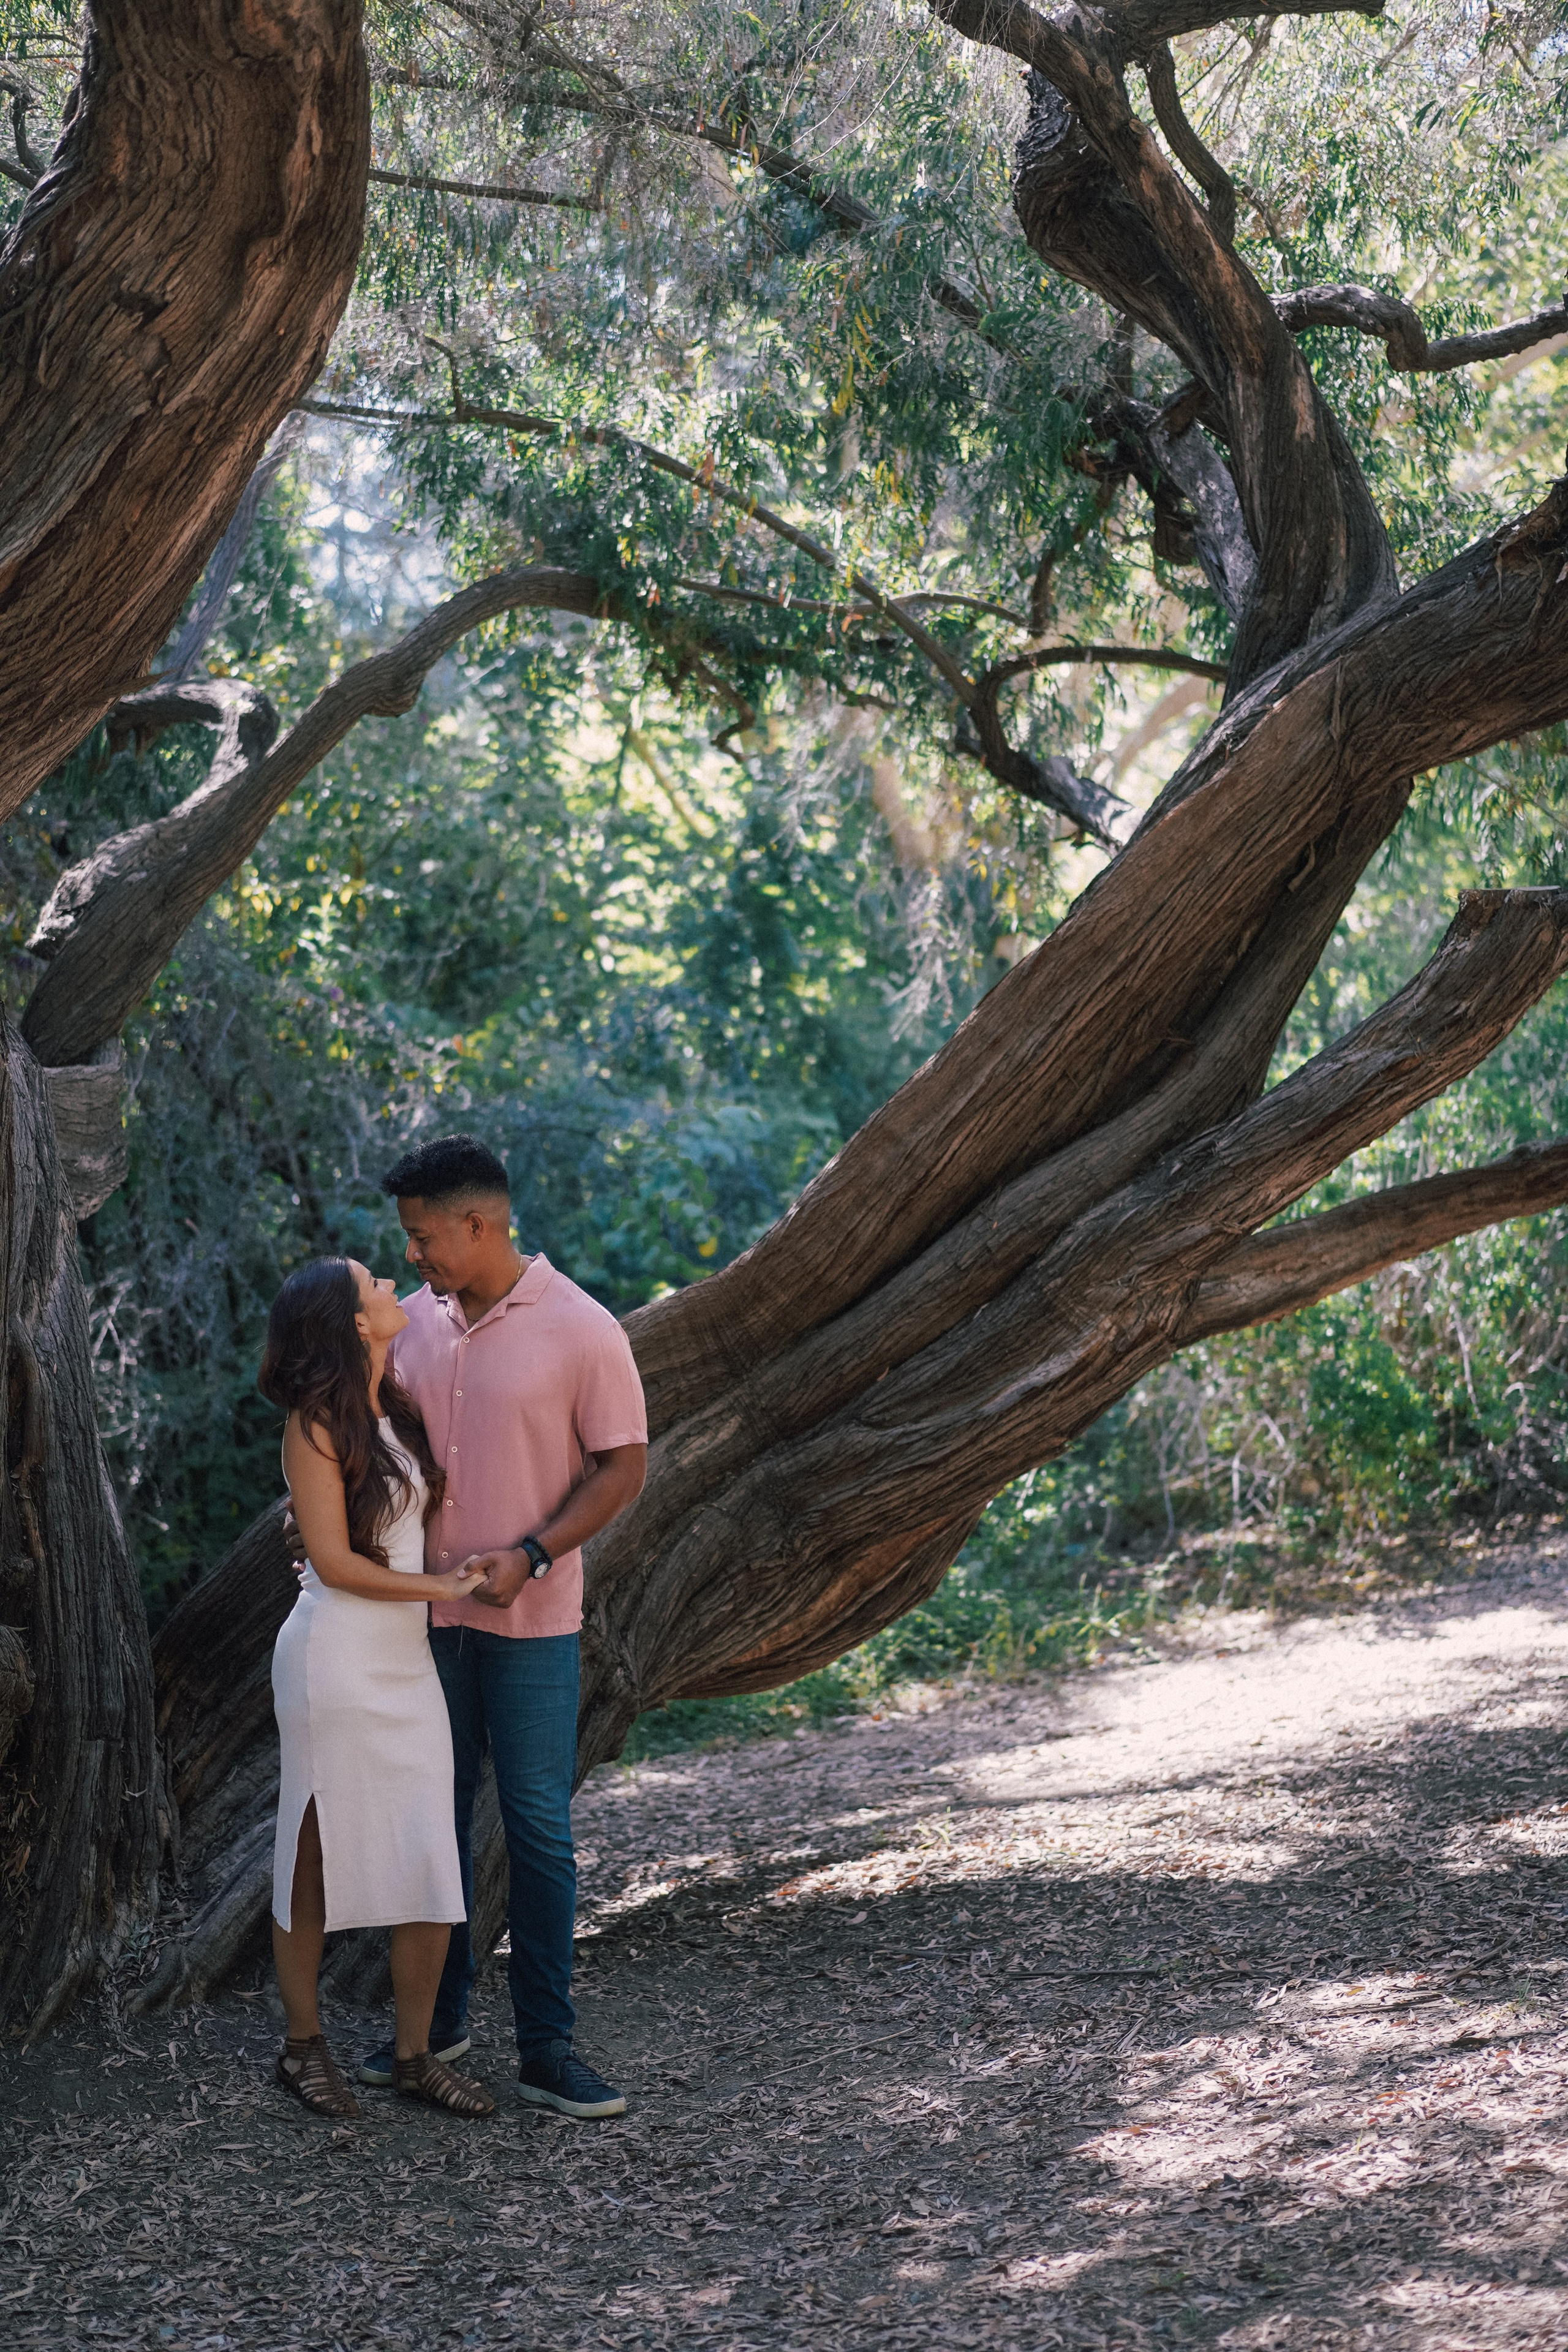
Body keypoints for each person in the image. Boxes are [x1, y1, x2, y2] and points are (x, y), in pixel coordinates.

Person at [353, 1134, 648, 2119]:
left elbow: (621, 1468)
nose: (417, 1254)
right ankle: (436, 2026)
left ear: (479, 1223)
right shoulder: (416, 1329)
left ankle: (549, 2050)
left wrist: (533, 1552)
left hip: (533, 1625)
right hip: (421, 1625)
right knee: (429, 1823)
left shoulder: (583, 1328)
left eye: (425, 1236)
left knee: (537, 1831)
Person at [262, 1256, 497, 2121]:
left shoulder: (390, 1406)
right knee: (312, 1853)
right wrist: (439, 1590)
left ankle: (413, 2057)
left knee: (428, 1850)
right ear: (353, 1323)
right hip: (334, 1660)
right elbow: (331, 1563)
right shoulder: (314, 1426)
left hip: (403, 1664)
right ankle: (302, 2047)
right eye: (374, 1286)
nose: (393, 1289)